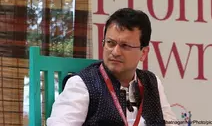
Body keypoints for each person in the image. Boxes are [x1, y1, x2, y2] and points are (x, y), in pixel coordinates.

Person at [47, 8, 177, 126]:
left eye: (125, 46)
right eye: (110, 43)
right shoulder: (82, 84)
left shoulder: (152, 83)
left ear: (143, 53)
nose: (115, 52)